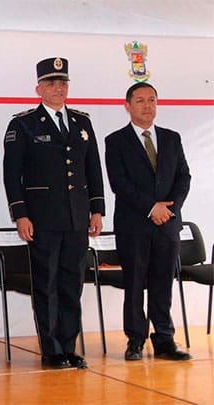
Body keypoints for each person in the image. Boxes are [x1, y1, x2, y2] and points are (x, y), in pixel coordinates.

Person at [3, 57, 105, 370]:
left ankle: (69, 347)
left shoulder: (81, 122)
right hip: (42, 219)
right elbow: (12, 175)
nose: (58, 88)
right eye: (51, 83)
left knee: (72, 284)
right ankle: (52, 350)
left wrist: (97, 209)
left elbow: (93, 168)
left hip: (76, 217)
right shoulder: (23, 124)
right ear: (39, 89)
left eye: (63, 83)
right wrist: (20, 214)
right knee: (46, 285)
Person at [104, 82, 192, 361]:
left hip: (167, 223)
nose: (147, 106)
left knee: (163, 283)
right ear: (127, 106)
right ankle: (135, 341)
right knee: (134, 284)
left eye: (152, 100)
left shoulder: (171, 138)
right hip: (134, 224)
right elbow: (119, 183)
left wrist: (169, 208)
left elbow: (183, 177)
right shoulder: (115, 141)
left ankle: (164, 340)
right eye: (140, 100)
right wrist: (152, 207)